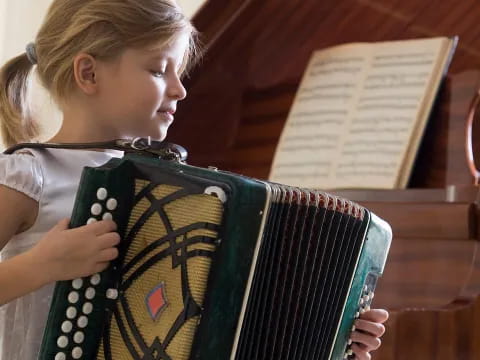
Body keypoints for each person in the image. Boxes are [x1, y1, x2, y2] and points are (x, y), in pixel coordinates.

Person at [0, 1, 388, 359]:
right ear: (89, 72)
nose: (179, 89)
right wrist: (41, 266)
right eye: (158, 70)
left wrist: (335, 329)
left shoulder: (172, 190)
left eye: (179, 73)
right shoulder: (30, 174)